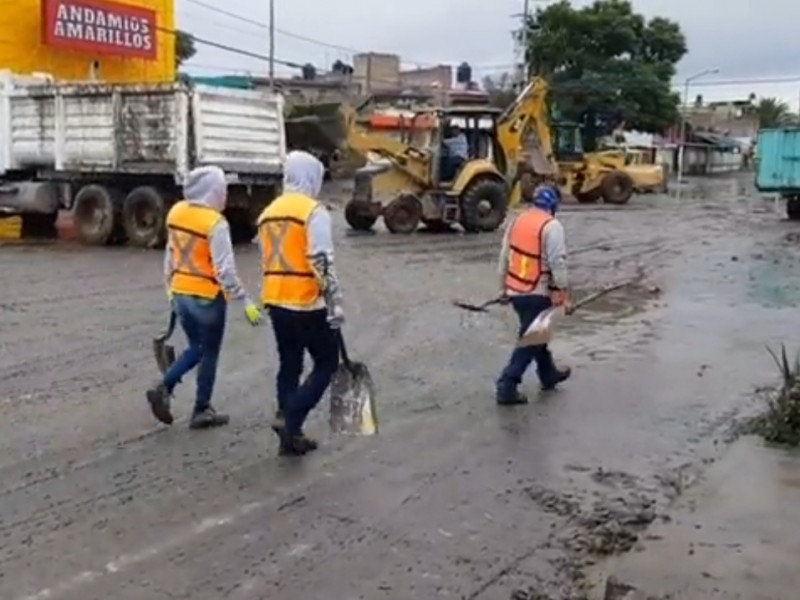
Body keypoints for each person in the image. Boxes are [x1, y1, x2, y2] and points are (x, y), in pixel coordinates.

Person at [146, 165, 261, 429]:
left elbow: (170, 253)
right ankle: (195, 405)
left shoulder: (176, 212)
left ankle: (169, 390)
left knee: (195, 347)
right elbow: (225, 271)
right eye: (222, 189)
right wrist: (244, 301)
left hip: (180, 293)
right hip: (207, 297)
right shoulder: (215, 224)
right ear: (212, 190)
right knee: (206, 352)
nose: (225, 194)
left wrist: (169, 287)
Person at [257, 150, 343, 456]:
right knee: (327, 362)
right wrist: (335, 302)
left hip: (276, 299)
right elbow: (321, 259)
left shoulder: (269, 211)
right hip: (307, 301)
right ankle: (291, 416)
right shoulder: (312, 211)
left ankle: (290, 435)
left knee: (290, 363)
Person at [495, 185, 572, 405]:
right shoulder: (552, 226)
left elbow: (504, 257)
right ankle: (507, 386)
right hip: (538, 292)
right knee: (530, 341)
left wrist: (503, 289)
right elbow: (558, 263)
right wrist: (563, 293)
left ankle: (548, 375)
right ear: (553, 205)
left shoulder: (517, 221)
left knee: (537, 334)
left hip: (516, 291)